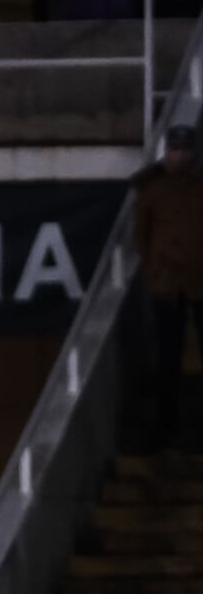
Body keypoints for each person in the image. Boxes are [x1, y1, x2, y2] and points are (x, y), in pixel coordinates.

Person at [131, 124, 203, 451]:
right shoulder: (153, 190)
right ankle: (165, 427)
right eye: (176, 149)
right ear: (167, 151)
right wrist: (155, 272)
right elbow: (141, 237)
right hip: (167, 285)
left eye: (185, 149)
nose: (180, 155)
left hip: (198, 282)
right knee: (167, 358)